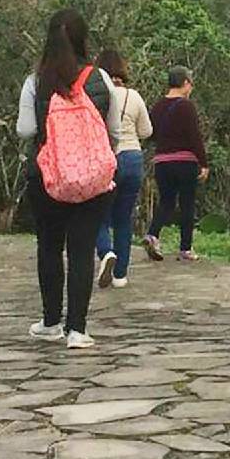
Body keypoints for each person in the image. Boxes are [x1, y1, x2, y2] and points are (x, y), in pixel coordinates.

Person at [17, 8, 119, 349]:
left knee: (49, 247)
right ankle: (78, 329)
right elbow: (113, 131)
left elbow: (26, 129)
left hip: (48, 178)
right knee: (81, 249)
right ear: (82, 38)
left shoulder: (35, 81)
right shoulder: (101, 79)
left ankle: (50, 322)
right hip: (91, 180)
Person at [94, 48, 152, 289]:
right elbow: (147, 131)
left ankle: (106, 252)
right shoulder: (134, 96)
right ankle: (120, 275)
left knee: (99, 215)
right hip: (132, 158)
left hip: (105, 158)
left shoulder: (96, 95)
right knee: (123, 218)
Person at [143, 66, 209, 262]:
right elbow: (194, 136)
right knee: (187, 203)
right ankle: (185, 248)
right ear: (185, 83)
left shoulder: (157, 106)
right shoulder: (186, 106)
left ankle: (152, 235)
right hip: (185, 161)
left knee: (166, 201)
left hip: (162, 161)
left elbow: (151, 134)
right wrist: (203, 163)